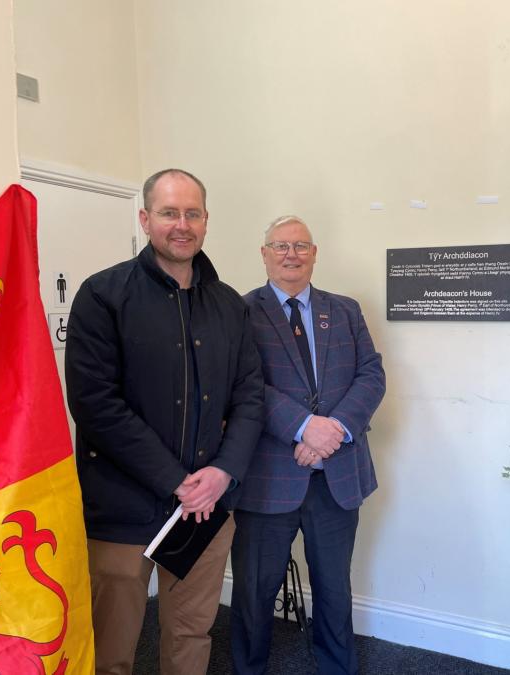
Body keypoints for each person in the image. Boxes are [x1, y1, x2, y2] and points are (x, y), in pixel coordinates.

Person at [64, 169, 264, 675]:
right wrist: (177, 481)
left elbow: (249, 398)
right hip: (121, 506)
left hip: (206, 507)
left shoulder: (228, 305)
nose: (182, 224)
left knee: (190, 636)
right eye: (169, 212)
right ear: (145, 218)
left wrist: (222, 474)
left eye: (192, 213)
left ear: (206, 221)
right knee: (111, 649)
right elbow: (95, 404)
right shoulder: (103, 295)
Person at [230, 215, 386, 675]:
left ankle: (337, 667)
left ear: (315, 253)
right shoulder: (239, 312)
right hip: (267, 478)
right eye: (280, 245)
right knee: (255, 590)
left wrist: (331, 429)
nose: (291, 254)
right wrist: (302, 427)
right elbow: (244, 384)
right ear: (264, 254)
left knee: (334, 587)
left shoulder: (345, 310)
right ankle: (248, 668)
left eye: (300, 245)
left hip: (337, 475)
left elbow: (371, 374)